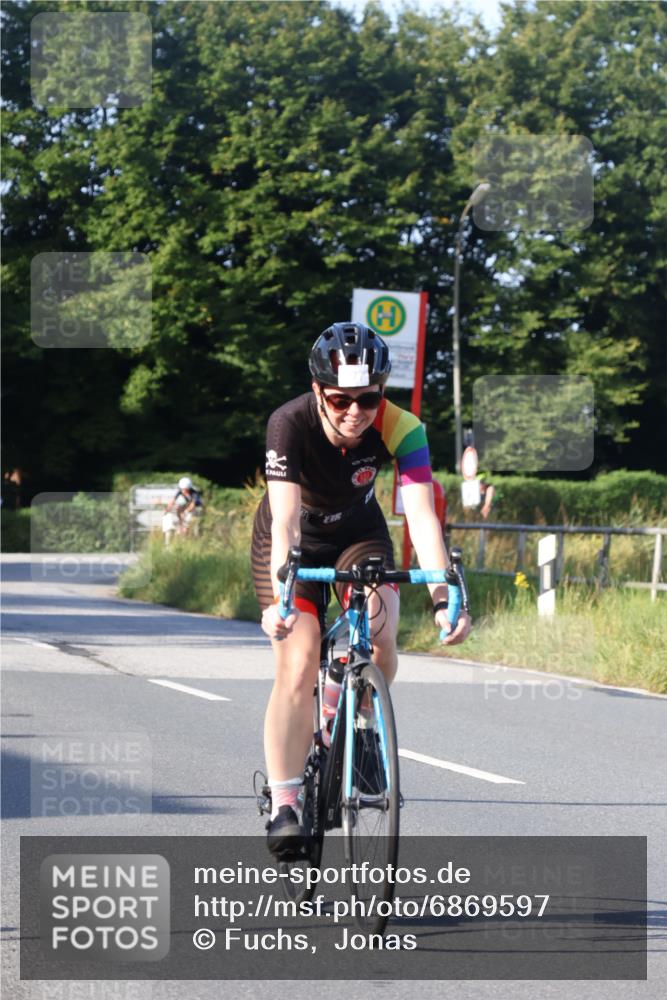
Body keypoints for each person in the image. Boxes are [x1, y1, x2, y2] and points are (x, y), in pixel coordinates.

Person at [251, 322, 472, 857]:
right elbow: (284, 523)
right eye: (340, 399)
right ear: (318, 391)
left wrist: (444, 597)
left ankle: (362, 719)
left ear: (382, 392)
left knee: (379, 633)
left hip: (357, 532)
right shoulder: (289, 423)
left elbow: (421, 517)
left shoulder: (403, 427)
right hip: (294, 540)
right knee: (299, 660)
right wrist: (282, 599)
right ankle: (285, 804)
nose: (355, 412)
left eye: (368, 399)